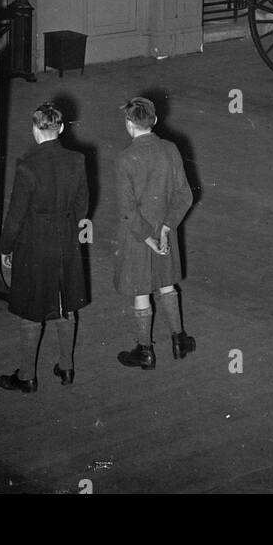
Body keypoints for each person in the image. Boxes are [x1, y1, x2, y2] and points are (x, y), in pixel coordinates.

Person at [0, 104, 89, 393]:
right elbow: (83, 204)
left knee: (31, 307)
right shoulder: (77, 159)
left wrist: (5, 247)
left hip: (34, 242)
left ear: (35, 129)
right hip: (65, 239)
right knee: (64, 303)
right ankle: (66, 367)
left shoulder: (27, 165)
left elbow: (15, 214)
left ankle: (27, 376)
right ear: (60, 129)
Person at [114, 96, 195, 370]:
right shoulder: (170, 149)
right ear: (155, 121)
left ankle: (145, 350)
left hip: (138, 236)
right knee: (166, 284)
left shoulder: (125, 158)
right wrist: (165, 230)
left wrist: (148, 237)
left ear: (129, 124)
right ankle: (179, 339)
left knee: (141, 290)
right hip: (164, 231)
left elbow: (127, 209)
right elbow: (184, 195)